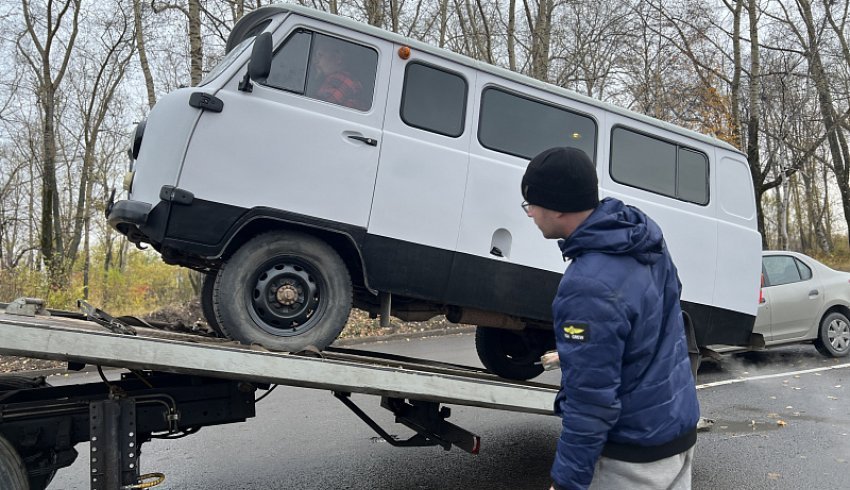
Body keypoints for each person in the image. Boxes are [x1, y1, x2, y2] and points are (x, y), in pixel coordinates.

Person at [520, 147, 700, 490]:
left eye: (531, 204)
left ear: (556, 207)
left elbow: (590, 402)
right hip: (677, 434)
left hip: (631, 459)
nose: (529, 215)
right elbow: (662, 310)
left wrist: (566, 482)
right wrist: (585, 350)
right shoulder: (643, 237)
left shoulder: (586, 285)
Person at [309, 42, 367, 110]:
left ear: (338, 58)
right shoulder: (332, 79)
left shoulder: (343, 79)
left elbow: (317, 108)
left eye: (320, 55)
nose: (315, 61)